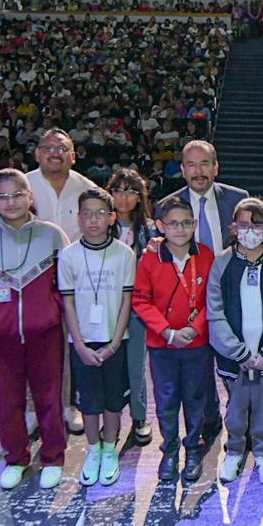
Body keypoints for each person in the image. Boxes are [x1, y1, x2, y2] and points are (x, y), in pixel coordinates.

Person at [0, 169, 69, 491]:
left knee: (49, 398)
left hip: (45, 334)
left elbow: (67, 281)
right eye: (3, 197)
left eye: (18, 194)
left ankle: (53, 457)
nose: (11, 202)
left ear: (30, 196)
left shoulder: (52, 235)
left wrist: (52, 311)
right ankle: (16, 458)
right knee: (8, 401)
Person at [207, 197, 263, 487]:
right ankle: (234, 450)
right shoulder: (222, 263)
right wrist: (238, 352)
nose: (250, 230)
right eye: (243, 224)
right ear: (234, 227)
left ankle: (262, 453)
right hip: (235, 357)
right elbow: (215, 310)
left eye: (256, 225)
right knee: (235, 407)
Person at [171, 139, 249, 450]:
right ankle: (210, 421)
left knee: (236, 368)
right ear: (182, 170)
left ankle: (242, 425)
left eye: (204, 163)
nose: (198, 171)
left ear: (216, 167)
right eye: (191, 164)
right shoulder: (170, 205)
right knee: (198, 372)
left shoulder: (238, 200)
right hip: (189, 303)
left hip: (233, 300)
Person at [132, 195, 215, 484]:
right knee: (166, 400)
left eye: (185, 223)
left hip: (196, 344)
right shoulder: (150, 258)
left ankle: (193, 449)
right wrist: (166, 331)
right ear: (160, 226)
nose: (180, 229)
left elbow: (213, 299)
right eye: (172, 224)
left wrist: (196, 329)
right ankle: (169, 450)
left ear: (194, 224)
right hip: (162, 346)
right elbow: (141, 300)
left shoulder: (206, 255)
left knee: (195, 398)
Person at [59, 188, 136, 488]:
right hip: (82, 343)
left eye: (100, 214)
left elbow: (127, 301)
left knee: (113, 402)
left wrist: (115, 342)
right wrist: (78, 344)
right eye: (87, 214)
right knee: (89, 404)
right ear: (78, 218)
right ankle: (92, 450)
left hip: (115, 340)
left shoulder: (124, 254)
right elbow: (67, 303)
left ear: (112, 217)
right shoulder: (68, 255)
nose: (93, 220)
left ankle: (109, 449)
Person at [23, 128, 95, 435]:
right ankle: (30, 408)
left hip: (74, 278)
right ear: (38, 153)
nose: (55, 152)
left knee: (71, 343)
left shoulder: (86, 188)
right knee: (31, 345)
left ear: (73, 156)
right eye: (48, 147)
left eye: (62, 148)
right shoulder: (21, 184)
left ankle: (69, 405)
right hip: (28, 277)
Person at [108, 167, 156, 447]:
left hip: (138, 309)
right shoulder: (102, 225)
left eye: (130, 191)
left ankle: (140, 417)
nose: (123, 197)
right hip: (107, 308)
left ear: (140, 196)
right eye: (118, 190)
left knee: (136, 365)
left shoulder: (149, 230)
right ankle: (110, 418)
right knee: (110, 364)